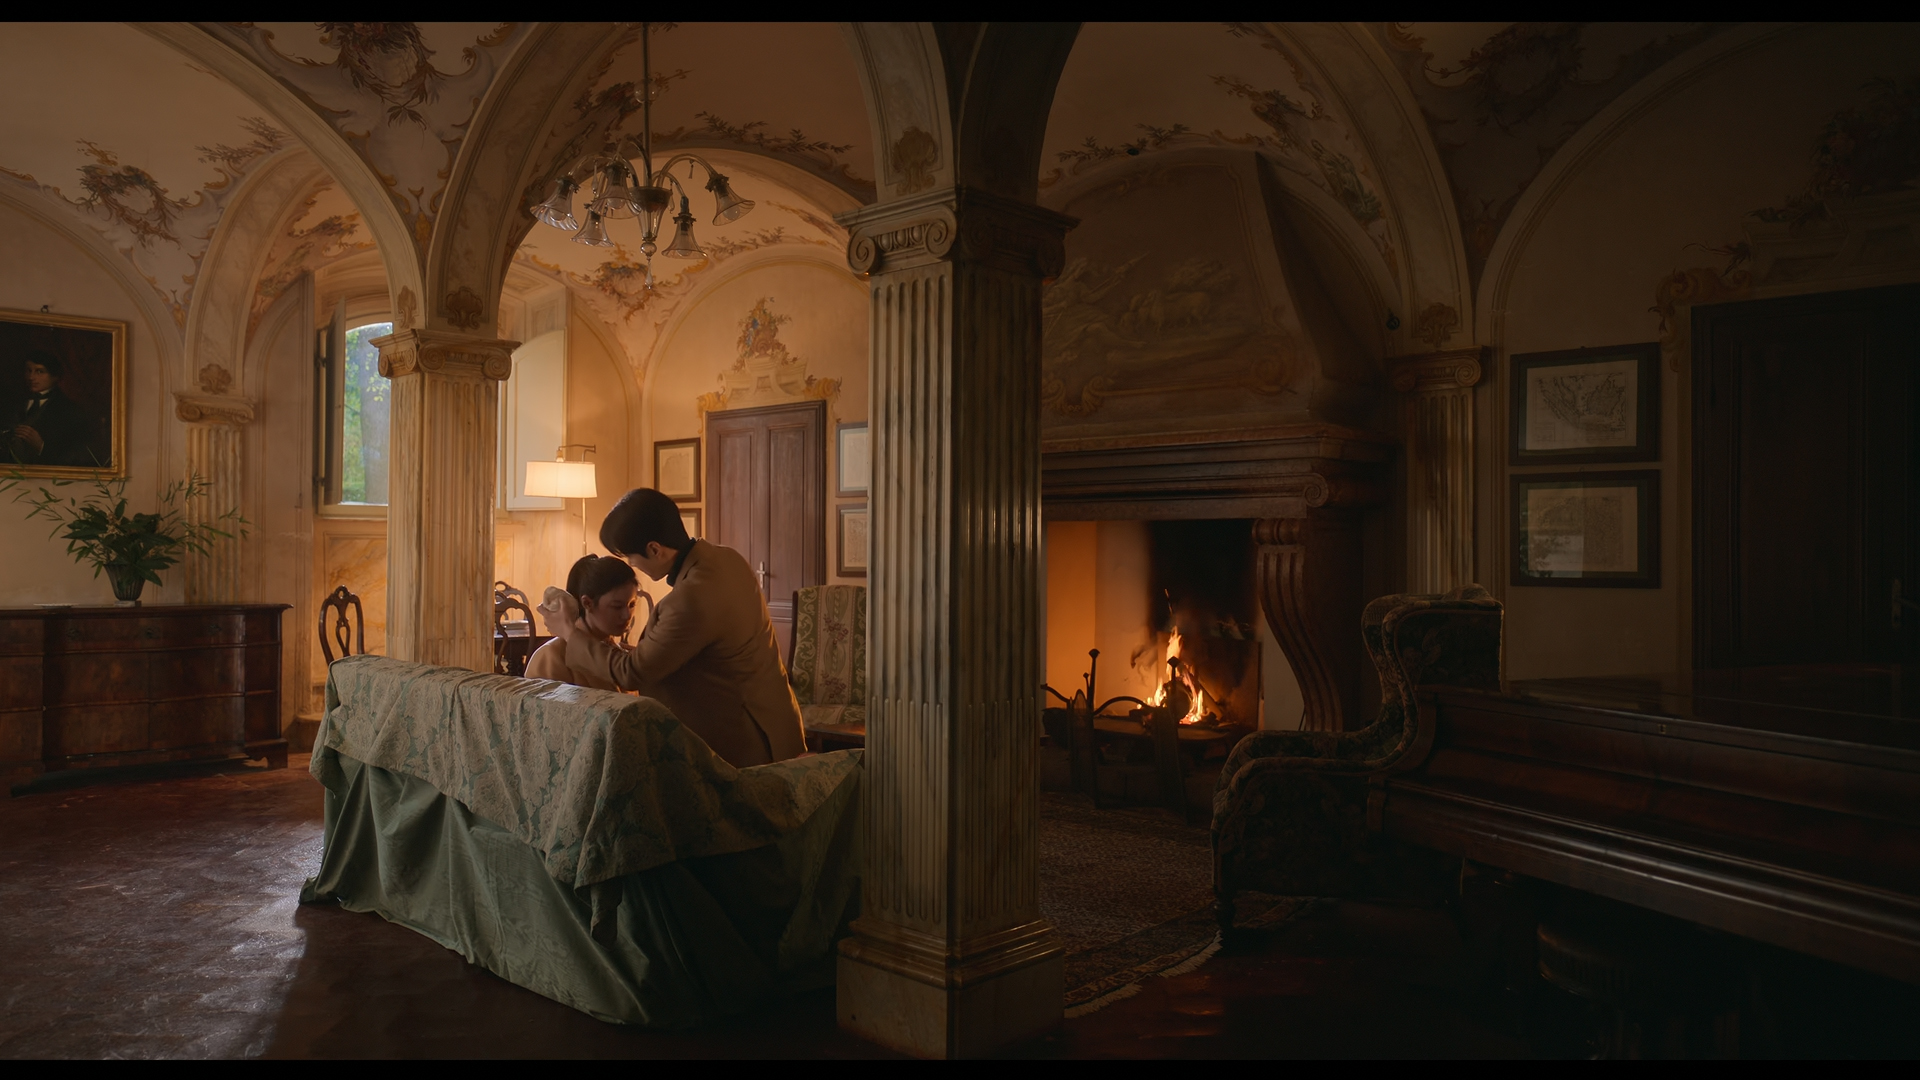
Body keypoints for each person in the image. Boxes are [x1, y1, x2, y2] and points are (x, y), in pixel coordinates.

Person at [537, 488, 806, 768]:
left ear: (655, 549)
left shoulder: (692, 597)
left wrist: (569, 631)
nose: (632, 565)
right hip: (775, 720)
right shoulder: (727, 558)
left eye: (631, 557)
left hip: (745, 739)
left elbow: (632, 673)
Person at [524, 554, 641, 692]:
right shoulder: (552, 656)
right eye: (617, 606)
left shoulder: (619, 654)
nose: (627, 615)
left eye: (632, 605)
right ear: (587, 603)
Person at [5, 351, 90, 466]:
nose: (31, 377)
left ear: (55, 377)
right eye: (29, 371)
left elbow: (77, 456)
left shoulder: (70, 410)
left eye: (39, 371)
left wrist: (41, 446)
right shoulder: (12, 403)